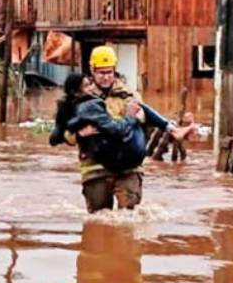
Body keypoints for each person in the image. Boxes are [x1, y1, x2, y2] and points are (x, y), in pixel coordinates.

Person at [60, 46, 186, 213]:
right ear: (92, 71)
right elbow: (65, 132)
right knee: (99, 218)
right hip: (95, 167)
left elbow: (144, 130)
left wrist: (141, 122)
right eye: (101, 73)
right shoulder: (80, 98)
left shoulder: (130, 95)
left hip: (128, 166)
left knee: (128, 216)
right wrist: (78, 134)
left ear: (115, 70)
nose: (106, 77)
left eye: (109, 72)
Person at [50, 73, 164, 173]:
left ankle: (170, 127)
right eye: (86, 86)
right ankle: (170, 127)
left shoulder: (125, 95)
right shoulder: (76, 108)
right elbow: (55, 137)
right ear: (74, 92)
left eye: (90, 84)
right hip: (97, 162)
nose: (91, 88)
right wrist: (78, 135)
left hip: (120, 157)